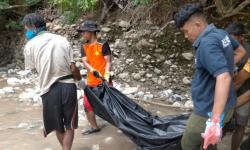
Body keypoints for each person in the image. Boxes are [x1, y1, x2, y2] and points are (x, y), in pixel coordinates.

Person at [174, 3, 246, 150]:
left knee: (188, 144)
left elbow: (224, 77)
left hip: (208, 109)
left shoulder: (206, 44)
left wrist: (214, 120)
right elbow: (240, 52)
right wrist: (226, 67)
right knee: (208, 142)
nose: (186, 36)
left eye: (186, 31)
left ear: (198, 24)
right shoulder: (221, 33)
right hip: (227, 105)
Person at [23, 13, 81, 150]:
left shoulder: (29, 46)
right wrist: (80, 81)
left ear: (33, 27)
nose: (26, 32)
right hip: (68, 87)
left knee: (57, 125)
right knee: (69, 125)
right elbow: (73, 67)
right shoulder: (62, 40)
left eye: (27, 29)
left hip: (48, 91)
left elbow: (32, 70)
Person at [77, 20, 112, 135]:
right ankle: (94, 127)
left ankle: (121, 123)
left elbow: (108, 62)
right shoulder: (84, 46)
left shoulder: (103, 44)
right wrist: (92, 69)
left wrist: (106, 75)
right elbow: (85, 61)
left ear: (91, 32)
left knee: (111, 105)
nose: (82, 34)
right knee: (87, 105)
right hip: (91, 82)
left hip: (104, 81)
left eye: (84, 32)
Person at [226, 23, 250, 150]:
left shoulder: (248, 52)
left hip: (244, 91)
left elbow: (240, 81)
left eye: (233, 37)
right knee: (222, 122)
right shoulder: (225, 48)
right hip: (228, 89)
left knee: (240, 124)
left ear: (241, 37)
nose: (230, 40)